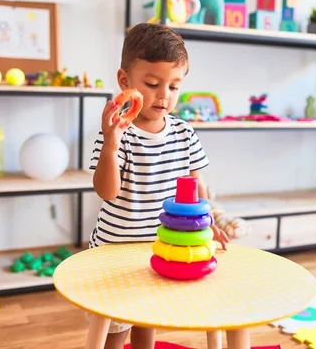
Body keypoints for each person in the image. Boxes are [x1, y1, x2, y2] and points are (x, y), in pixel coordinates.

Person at [87, 22, 229, 348]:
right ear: (125, 82)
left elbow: (197, 187)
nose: (164, 95)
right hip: (115, 250)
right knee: (115, 328)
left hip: (161, 248)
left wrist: (208, 224)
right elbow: (107, 192)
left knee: (147, 319)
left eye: (174, 87)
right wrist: (110, 144)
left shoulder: (184, 133)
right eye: (152, 83)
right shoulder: (117, 132)